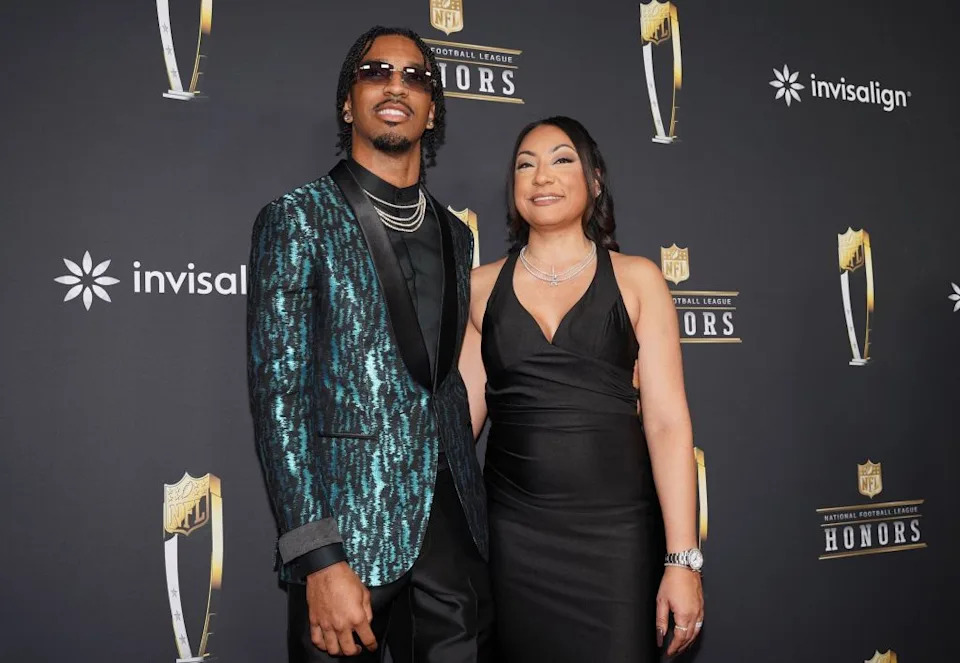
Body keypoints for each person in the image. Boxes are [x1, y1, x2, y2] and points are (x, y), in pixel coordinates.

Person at [247, 26, 492, 663]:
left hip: (453, 539)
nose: (396, 85)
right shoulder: (297, 218)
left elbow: (445, 382)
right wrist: (318, 558)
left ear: (432, 109)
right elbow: (278, 401)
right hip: (349, 545)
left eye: (415, 76)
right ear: (347, 101)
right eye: (376, 71)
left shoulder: (456, 235)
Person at [459, 116, 704, 661]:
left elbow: (666, 423)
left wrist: (682, 560)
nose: (541, 176)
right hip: (513, 541)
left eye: (561, 159)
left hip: (616, 539)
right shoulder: (478, 289)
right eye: (526, 164)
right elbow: (455, 432)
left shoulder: (638, 279)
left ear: (594, 181)